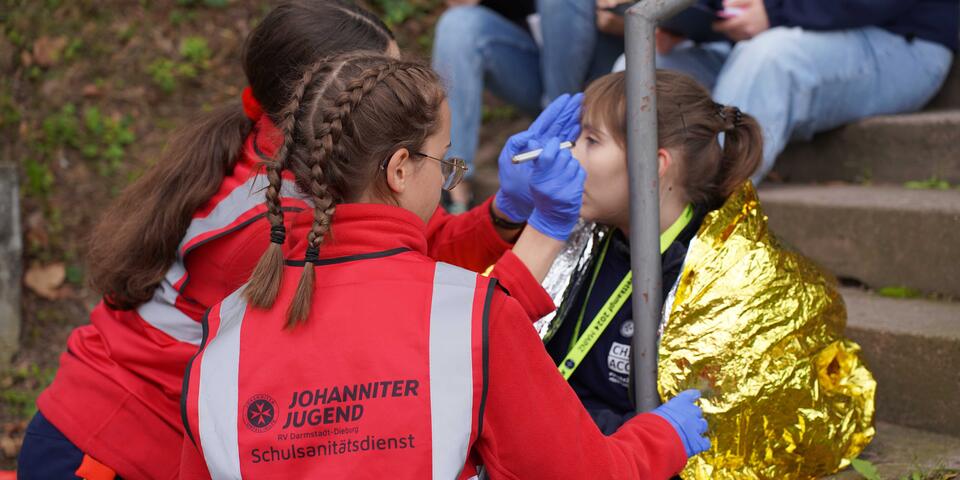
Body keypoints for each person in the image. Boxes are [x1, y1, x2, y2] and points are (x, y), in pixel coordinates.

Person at [17, 2, 576, 478]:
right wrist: (545, 231)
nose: (397, 90)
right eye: (379, 77)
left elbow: (415, 254)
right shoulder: (277, 219)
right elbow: (430, 321)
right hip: (109, 451)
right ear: (322, 94)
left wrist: (506, 210)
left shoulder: (306, 166)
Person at [179, 52, 710, 479]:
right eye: (445, 159)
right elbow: (583, 471)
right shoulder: (474, 317)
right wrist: (662, 437)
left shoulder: (225, 329)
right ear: (400, 170)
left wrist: (513, 216)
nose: (448, 176)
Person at [542, 69, 761, 434]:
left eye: (591, 141)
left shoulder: (717, 282)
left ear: (653, 166)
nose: (570, 154)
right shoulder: (586, 240)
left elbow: (684, 441)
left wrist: (545, 421)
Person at [612, 0, 958, 183]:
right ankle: (621, 208)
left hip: (902, 41)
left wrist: (775, 10)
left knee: (769, 59)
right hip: (781, 31)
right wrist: (694, 19)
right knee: (642, 63)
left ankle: (697, 228)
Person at [432, 0, 624, 211]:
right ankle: (455, 189)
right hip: (539, 69)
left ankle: (554, 140)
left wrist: (626, 13)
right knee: (457, 25)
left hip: (607, 67)